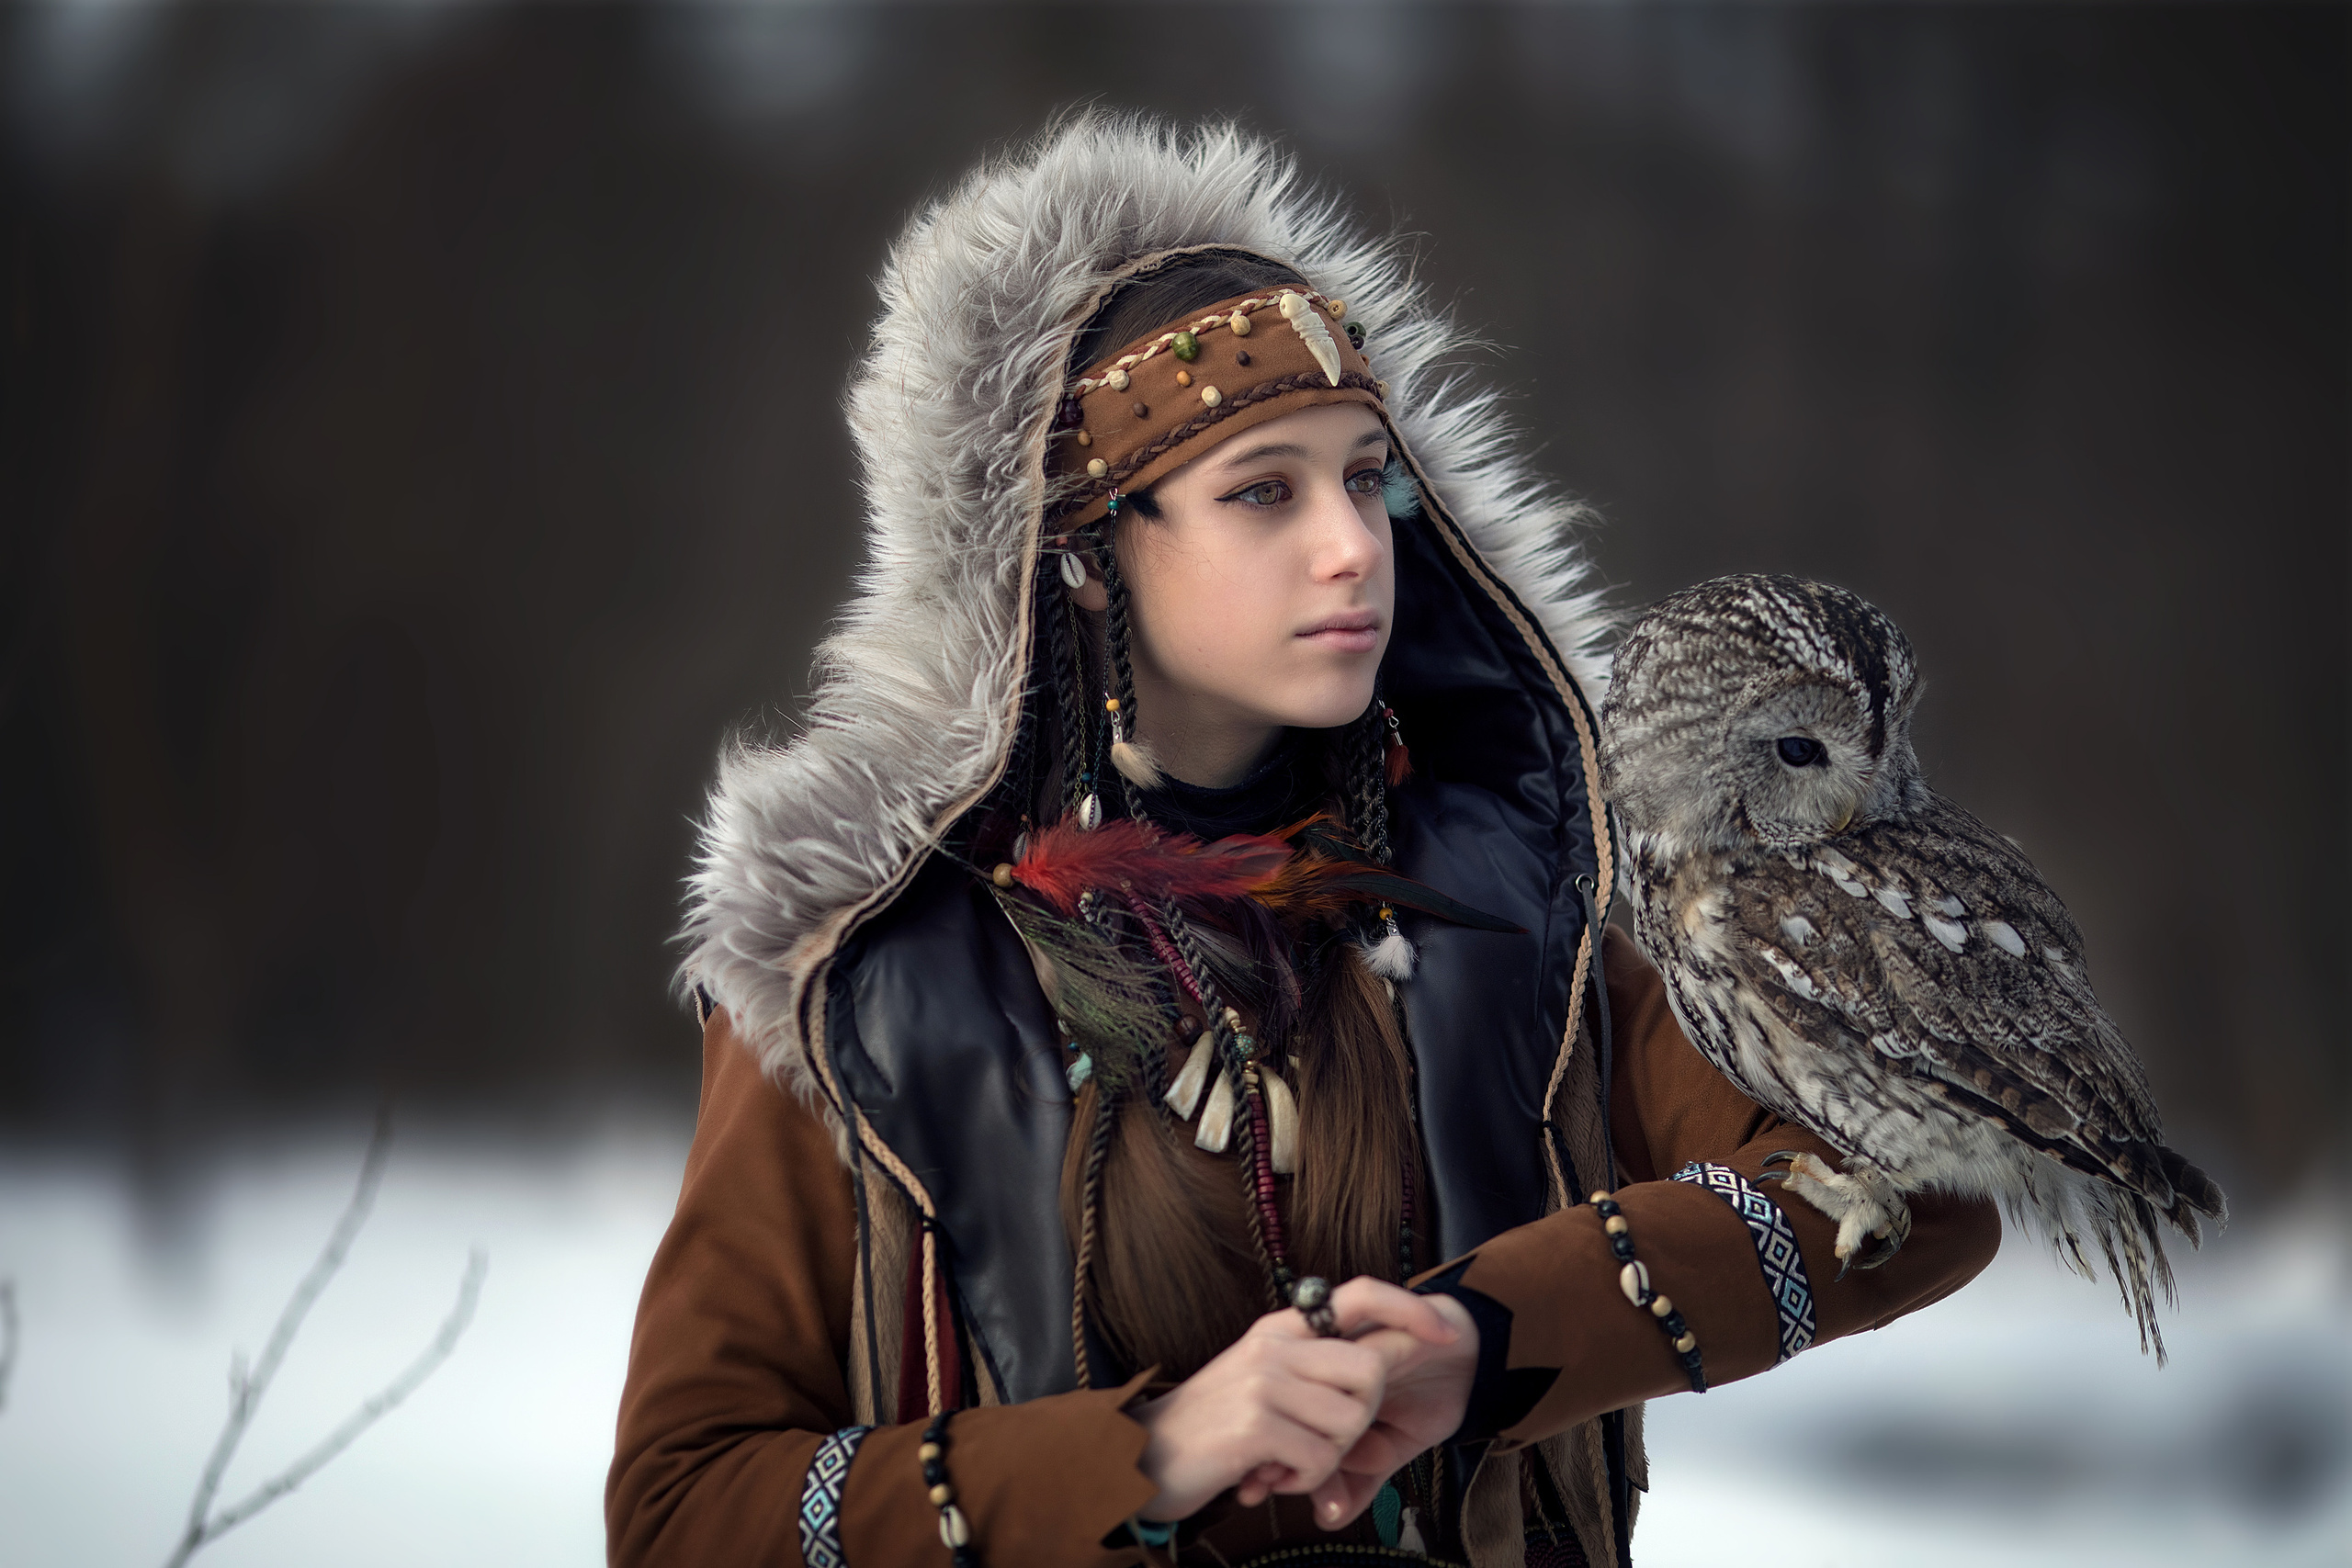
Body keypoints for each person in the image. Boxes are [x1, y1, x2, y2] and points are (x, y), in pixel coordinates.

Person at [607, 118, 1999, 1568]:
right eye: (1263, 491)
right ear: (1084, 556)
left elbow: (1935, 1173)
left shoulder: (1498, 913)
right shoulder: (865, 975)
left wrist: (1490, 1334)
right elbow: (682, 1514)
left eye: (1369, 481)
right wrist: (1148, 1454)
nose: (1350, 544)